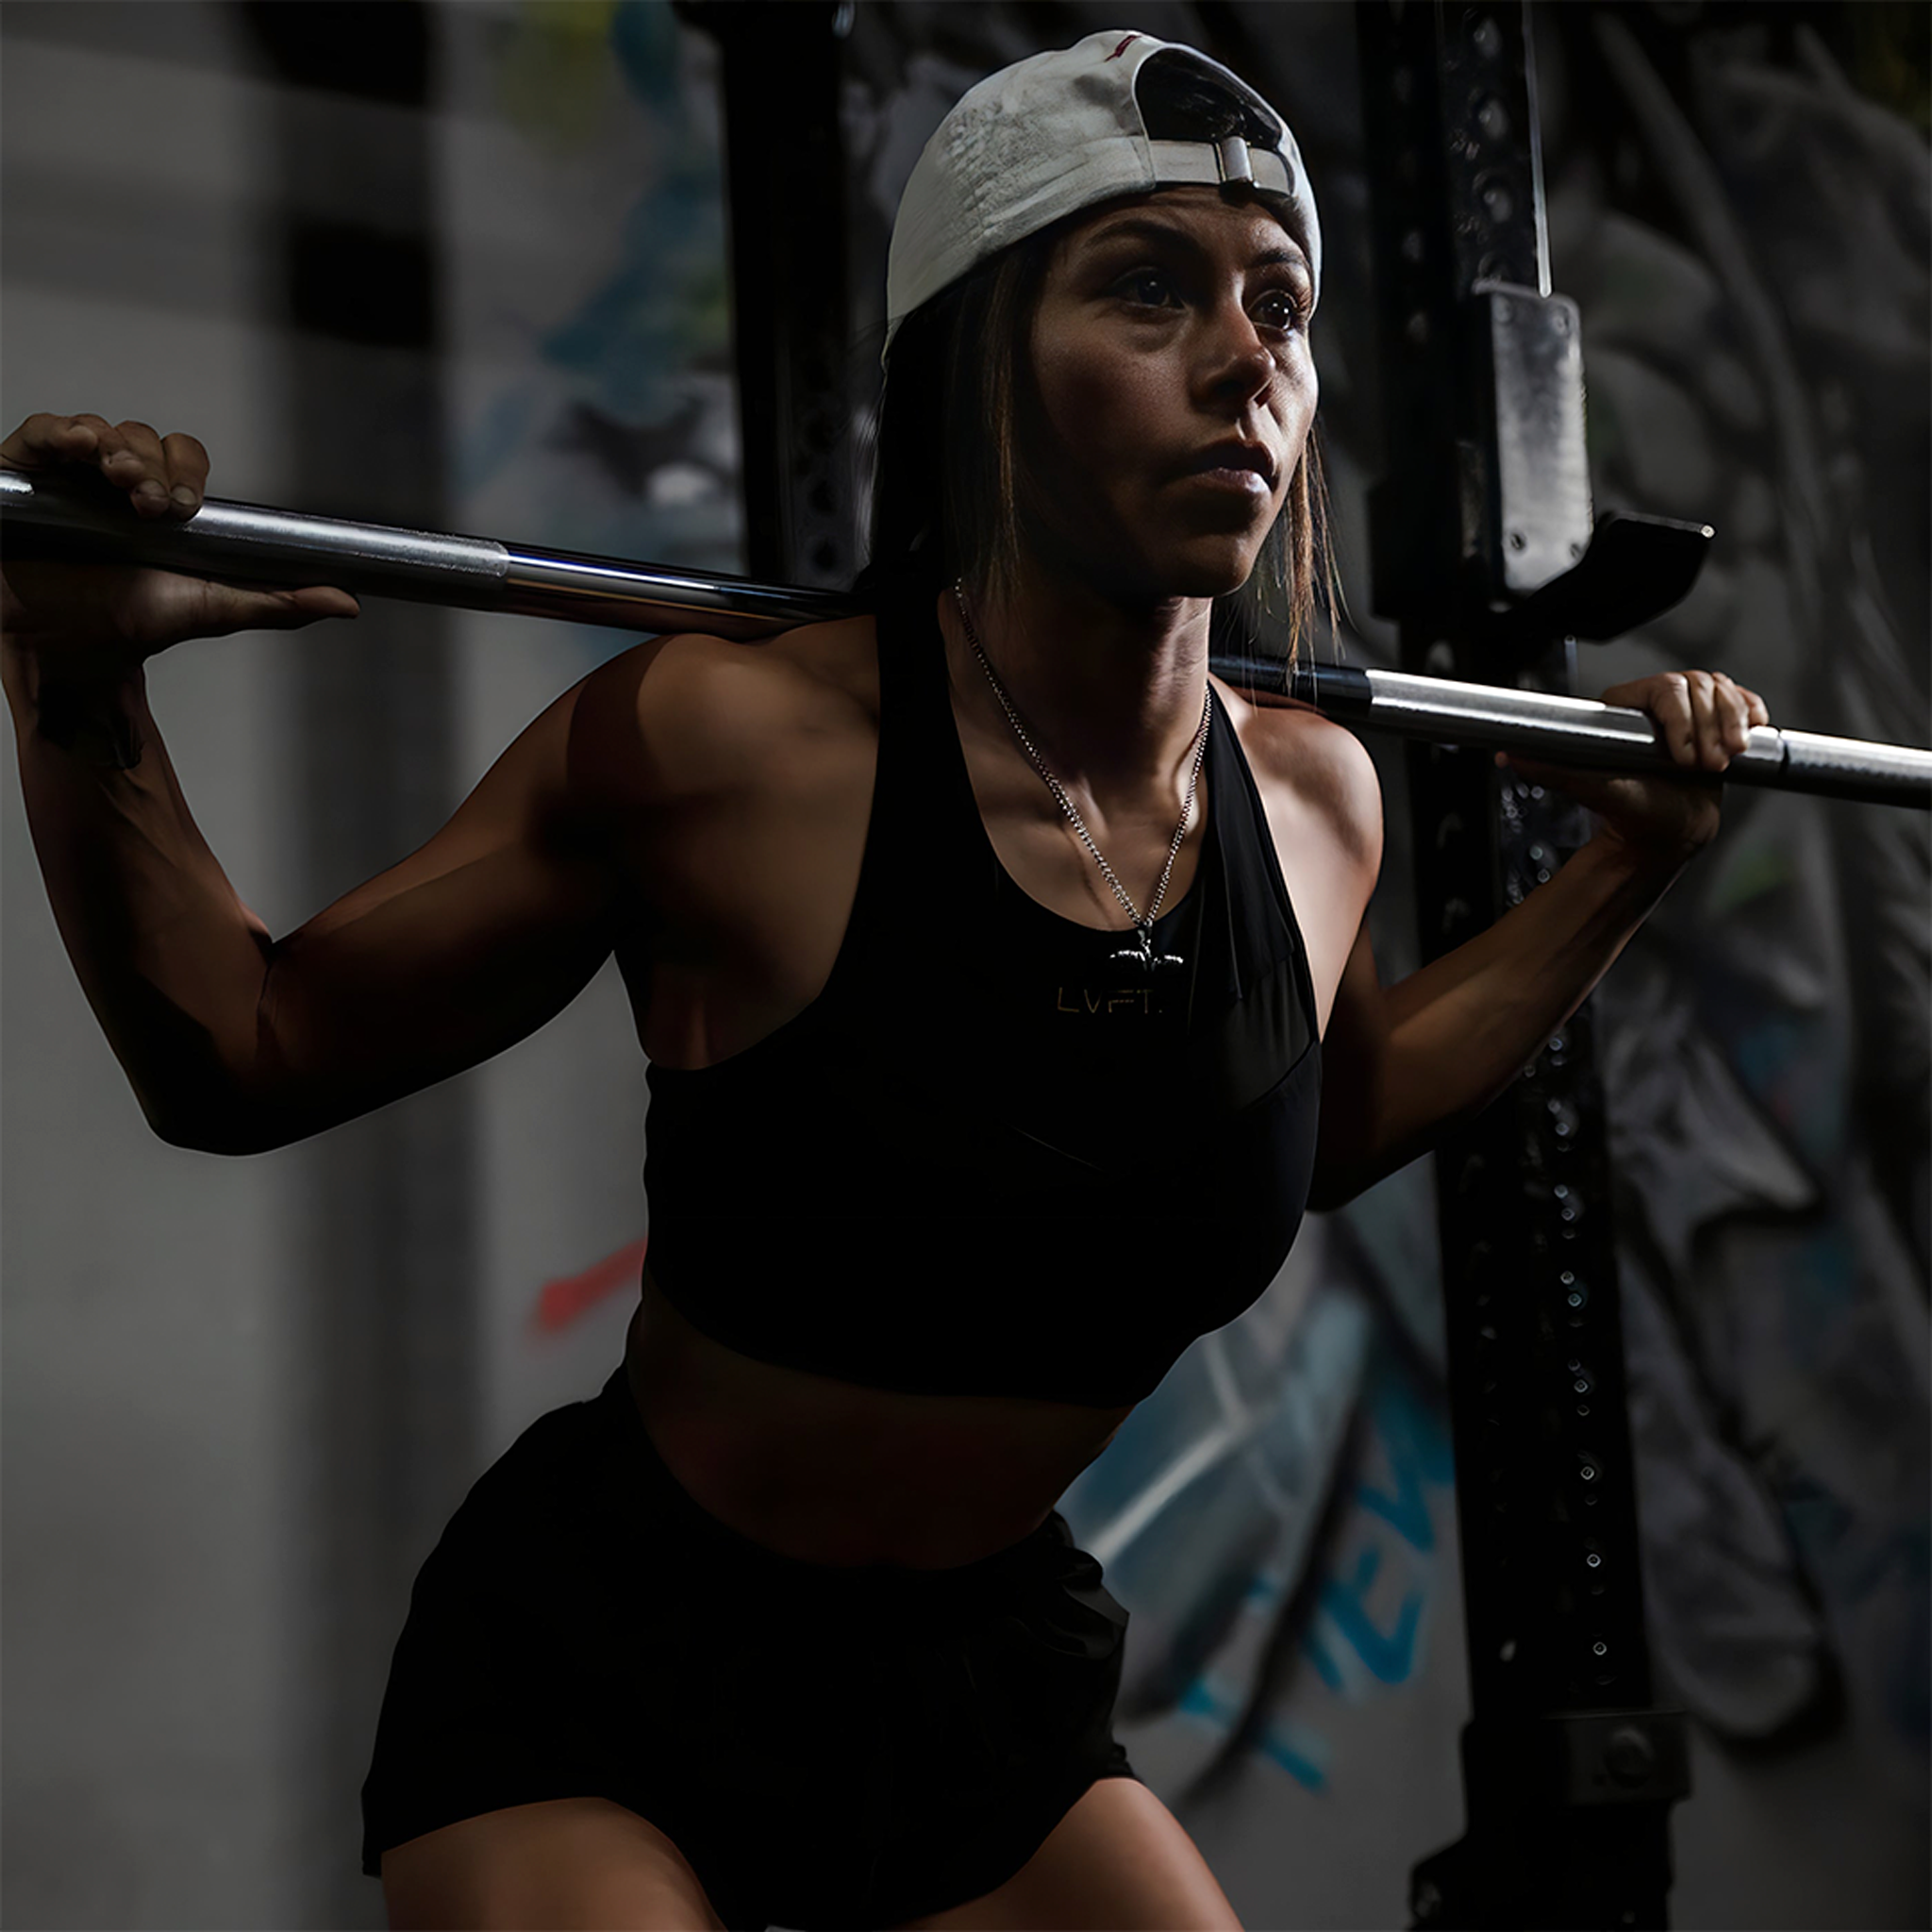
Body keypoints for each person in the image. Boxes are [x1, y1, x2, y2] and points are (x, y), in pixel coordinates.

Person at [1, 28, 1770, 1932]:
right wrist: (80, 680)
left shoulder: (1315, 792)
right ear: (974, 363)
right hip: (612, 1664)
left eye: (1280, 304)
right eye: (1150, 289)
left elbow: (1316, 1120)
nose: (1250, 360)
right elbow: (239, 1056)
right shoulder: (728, 747)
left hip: (976, 1680)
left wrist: (1625, 865)